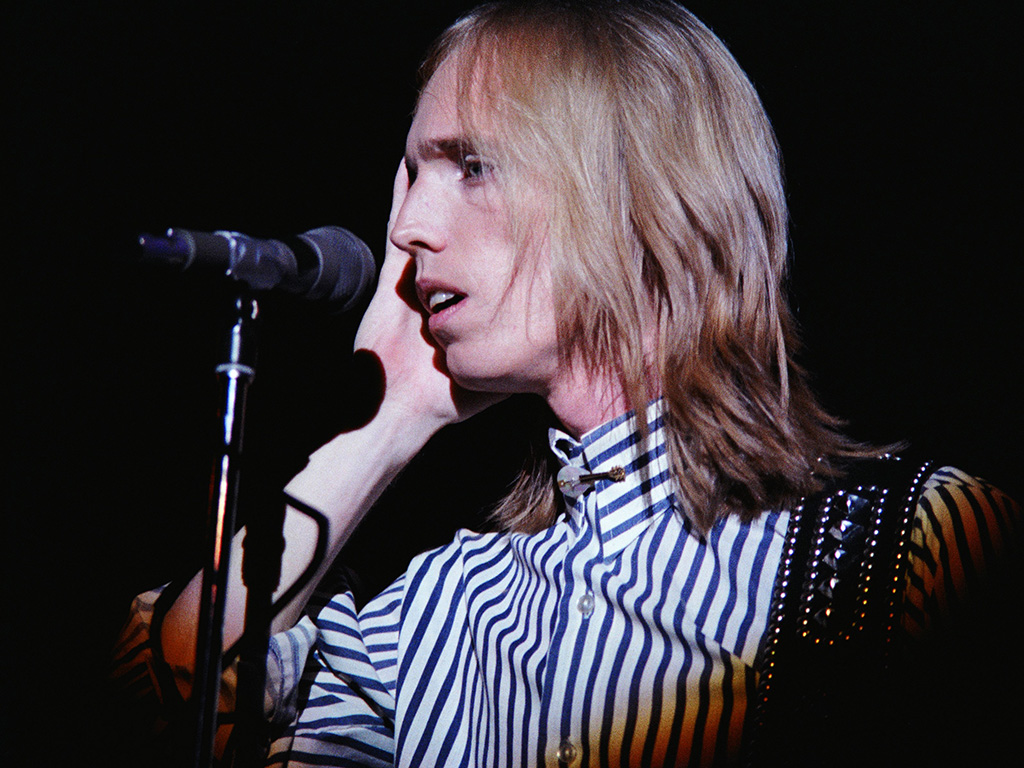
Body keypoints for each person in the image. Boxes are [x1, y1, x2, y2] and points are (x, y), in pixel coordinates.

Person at [113, 1, 1019, 766]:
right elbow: (174, 695)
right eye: (412, 174)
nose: (410, 227)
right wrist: (387, 423)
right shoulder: (444, 612)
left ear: (637, 199)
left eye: (472, 168)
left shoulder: (914, 552)